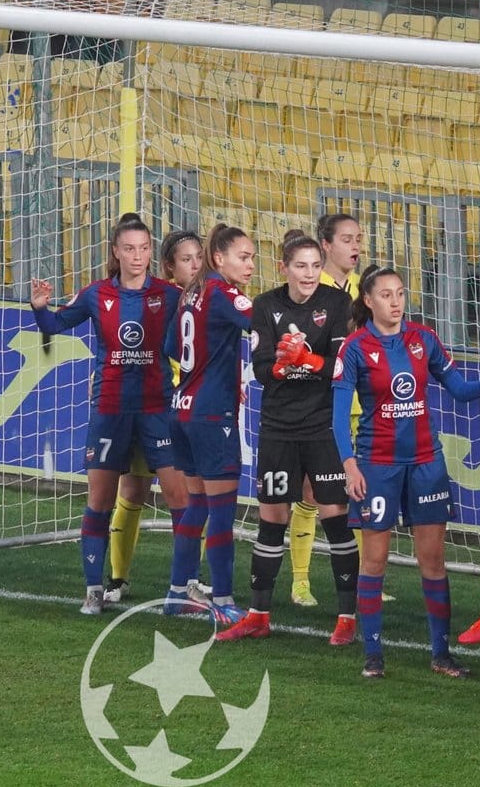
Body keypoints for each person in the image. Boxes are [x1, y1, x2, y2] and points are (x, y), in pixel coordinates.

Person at [332, 266, 480, 678]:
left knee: (433, 560)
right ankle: (373, 654)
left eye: (400, 293)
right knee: (375, 561)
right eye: (386, 295)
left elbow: (459, 390)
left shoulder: (423, 339)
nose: (396, 302)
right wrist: (350, 466)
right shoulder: (355, 348)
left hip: (426, 463)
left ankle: (441, 653)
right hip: (376, 465)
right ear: (368, 300)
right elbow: (338, 416)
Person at [29, 212, 191, 616]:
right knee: (100, 500)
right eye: (129, 249)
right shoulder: (96, 294)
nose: (138, 256)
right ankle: (93, 589)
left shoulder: (170, 295)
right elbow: (55, 323)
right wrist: (39, 308)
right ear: (115, 253)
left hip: (158, 409)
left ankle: (182, 587)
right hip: (109, 409)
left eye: (144, 248)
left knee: (181, 499)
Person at [217, 230, 357, 645]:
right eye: (301, 266)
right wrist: (281, 363)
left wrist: (306, 358)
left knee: (334, 515)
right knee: (272, 518)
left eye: (316, 265)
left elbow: (339, 365)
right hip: (278, 426)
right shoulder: (265, 305)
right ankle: (259, 614)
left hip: (322, 426)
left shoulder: (337, 304)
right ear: (284, 268)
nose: (310, 273)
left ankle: (347, 618)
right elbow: (260, 370)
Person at [104, 229, 207, 605]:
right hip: (158, 408)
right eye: (186, 259)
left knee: (187, 495)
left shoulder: (206, 300)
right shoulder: (165, 300)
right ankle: (118, 578)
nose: (194, 265)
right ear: (170, 267)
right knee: (133, 490)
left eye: (199, 257)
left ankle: (188, 581)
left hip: (185, 411)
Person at [166, 222, 256, 623]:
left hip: (182, 407)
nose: (251, 264)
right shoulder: (222, 291)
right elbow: (260, 322)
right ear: (219, 258)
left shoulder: (191, 291)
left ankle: (176, 592)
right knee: (220, 511)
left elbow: (172, 345)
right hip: (211, 414)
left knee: (196, 506)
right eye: (244, 256)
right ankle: (222, 600)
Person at [284, 212, 365, 609]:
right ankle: (299, 581)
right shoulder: (310, 290)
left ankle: (363, 577)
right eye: (347, 239)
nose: (356, 247)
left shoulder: (362, 290)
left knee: (358, 490)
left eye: (359, 239)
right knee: (313, 492)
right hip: (320, 404)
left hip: (360, 404)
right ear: (326, 246)